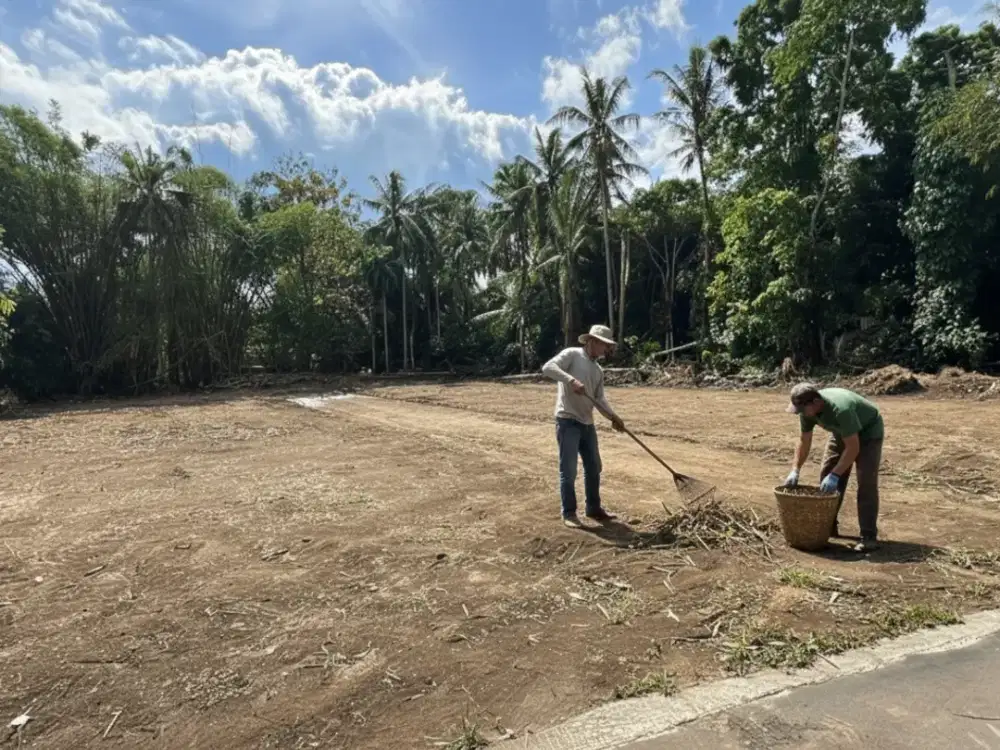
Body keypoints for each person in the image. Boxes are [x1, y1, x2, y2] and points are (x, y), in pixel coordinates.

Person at [783, 382, 885, 552]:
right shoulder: (807, 410)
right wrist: (795, 469)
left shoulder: (841, 409)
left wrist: (836, 474)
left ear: (816, 402)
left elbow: (853, 448)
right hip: (842, 432)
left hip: (868, 433)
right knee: (826, 473)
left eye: (802, 410)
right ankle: (827, 527)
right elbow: (804, 440)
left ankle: (868, 536)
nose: (800, 414)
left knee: (866, 480)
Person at [541, 324, 625, 528]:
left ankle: (594, 508)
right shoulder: (572, 354)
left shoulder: (597, 370)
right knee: (568, 470)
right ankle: (569, 513)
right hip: (567, 420)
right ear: (592, 342)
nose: (606, 350)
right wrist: (571, 381)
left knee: (594, 466)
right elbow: (548, 368)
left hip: (587, 423)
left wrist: (613, 416)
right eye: (604, 345)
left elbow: (599, 399)